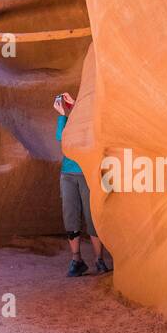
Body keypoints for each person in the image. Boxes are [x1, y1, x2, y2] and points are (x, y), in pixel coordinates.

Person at [54, 92, 111, 277]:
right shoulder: (68, 121)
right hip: (68, 174)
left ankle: (99, 260)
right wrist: (63, 114)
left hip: (86, 172)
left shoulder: (89, 121)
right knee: (70, 217)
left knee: (91, 215)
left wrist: (76, 106)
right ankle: (76, 260)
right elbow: (61, 138)